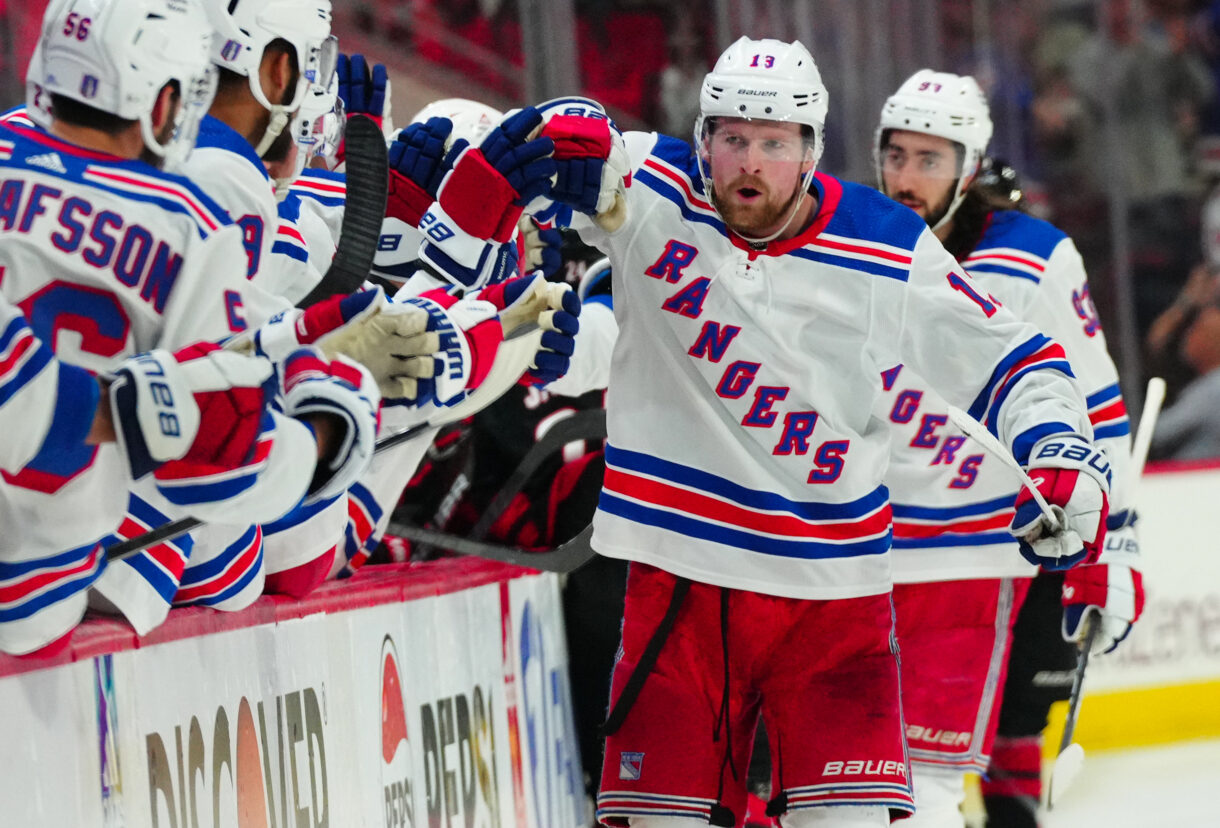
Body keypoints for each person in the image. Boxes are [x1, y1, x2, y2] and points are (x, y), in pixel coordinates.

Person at [515, 38, 1111, 828]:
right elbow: (530, 154)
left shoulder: (881, 242)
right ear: (703, 142)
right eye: (731, 138)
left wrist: (1058, 447)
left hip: (833, 607)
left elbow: (1015, 357)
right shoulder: (648, 186)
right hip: (677, 589)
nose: (749, 161)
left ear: (811, 151)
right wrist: (553, 143)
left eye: (773, 143)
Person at [0, 0, 389, 653]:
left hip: (53, 563)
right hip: (82, 573)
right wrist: (324, 433)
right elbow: (218, 463)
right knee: (240, 560)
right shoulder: (202, 207)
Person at [872, 71, 1144, 827]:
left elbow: (1096, 408)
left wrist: (1112, 549)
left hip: (981, 552)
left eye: (930, 160)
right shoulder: (850, 240)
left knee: (944, 767)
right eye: (895, 155)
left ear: (970, 166)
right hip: (859, 548)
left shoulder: (1033, 257)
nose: (906, 177)